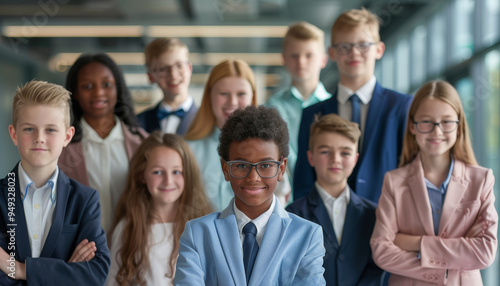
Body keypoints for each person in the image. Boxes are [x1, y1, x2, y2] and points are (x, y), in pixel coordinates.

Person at [175, 106, 326, 285]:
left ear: (282, 168)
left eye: (265, 165)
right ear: (225, 169)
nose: (253, 178)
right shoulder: (197, 233)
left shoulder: (307, 235)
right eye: (241, 165)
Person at [370, 80, 498, 285]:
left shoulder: (481, 180)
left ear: (459, 125)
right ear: (412, 126)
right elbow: (381, 251)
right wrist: (447, 266)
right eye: (426, 122)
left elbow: (484, 253)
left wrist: (417, 243)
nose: (436, 131)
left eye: (447, 122)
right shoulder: (394, 182)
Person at [294, 8, 412, 203]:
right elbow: (304, 182)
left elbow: (409, 172)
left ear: (379, 49)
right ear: (332, 52)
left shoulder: (401, 107)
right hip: (326, 225)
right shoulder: (313, 114)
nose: (354, 52)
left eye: (363, 45)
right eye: (344, 46)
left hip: (387, 220)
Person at [0, 80, 109, 285]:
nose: (39, 138)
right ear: (14, 134)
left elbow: (96, 273)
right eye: (29, 129)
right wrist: (66, 270)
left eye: (50, 130)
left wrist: (21, 270)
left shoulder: (85, 200)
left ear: (67, 136)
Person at [287, 113, 383, 285]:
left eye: (345, 153)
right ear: (311, 157)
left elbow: (376, 267)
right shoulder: (292, 215)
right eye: (325, 151)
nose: (335, 160)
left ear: (355, 159)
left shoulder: (373, 213)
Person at [106, 131, 212, 286]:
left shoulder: (204, 227)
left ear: (187, 174)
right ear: (142, 176)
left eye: (176, 172)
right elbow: (113, 281)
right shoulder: (128, 228)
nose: (168, 181)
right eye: (157, 172)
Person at [185, 59, 291, 210]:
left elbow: (282, 198)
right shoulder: (187, 150)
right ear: (209, 96)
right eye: (223, 93)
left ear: (252, 96)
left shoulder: (269, 149)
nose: (232, 102)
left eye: (241, 94)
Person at [59, 53, 148, 232]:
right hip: (82, 252)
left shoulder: (143, 143)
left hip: (132, 251)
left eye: (106, 84)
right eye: (87, 86)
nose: (98, 92)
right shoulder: (61, 148)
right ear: (74, 92)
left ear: (117, 88)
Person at [265, 21, 331, 187]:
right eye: (294, 55)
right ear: (284, 59)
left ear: (323, 60)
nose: (301, 61)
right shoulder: (272, 106)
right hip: (285, 197)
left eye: (309, 55)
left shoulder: (335, 106)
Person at [137, 38, 198, 135]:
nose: (173, 74)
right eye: (163, 69)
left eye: (179, 65)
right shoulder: (139, 123)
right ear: (151, 76)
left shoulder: (207, 119)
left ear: (189, 68)